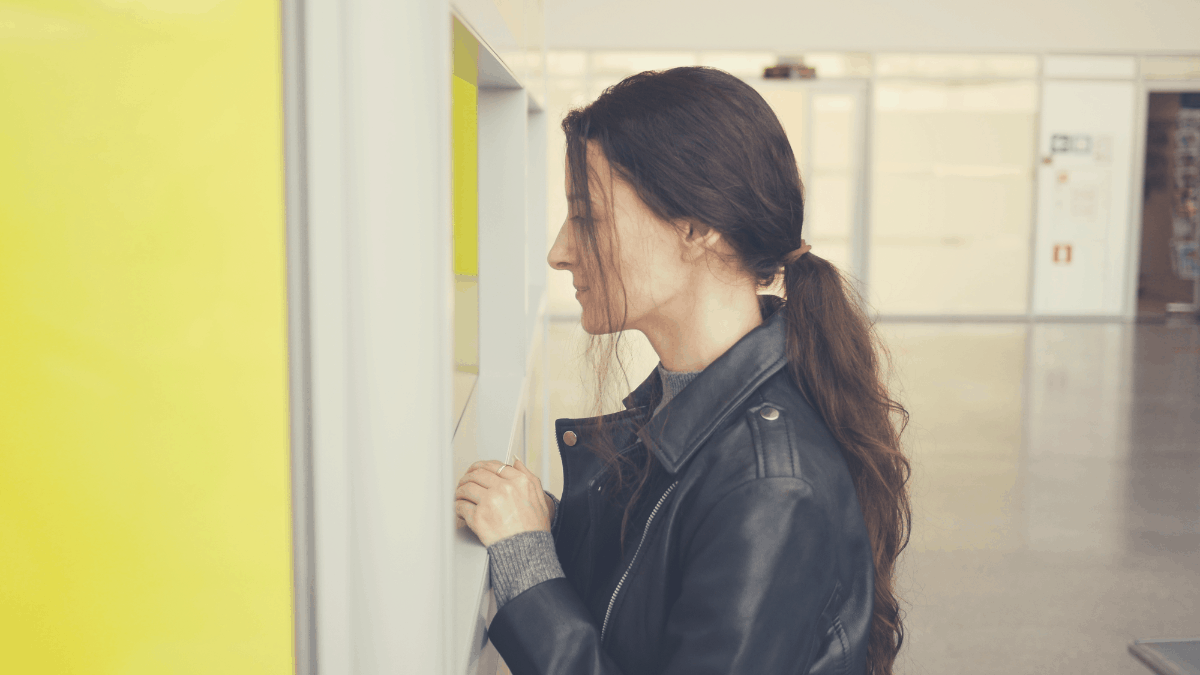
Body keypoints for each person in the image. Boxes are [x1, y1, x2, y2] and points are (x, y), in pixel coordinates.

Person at [454, 66, 912, 675]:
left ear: (696, 228)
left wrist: (528, 565)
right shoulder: (694, 404)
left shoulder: (771, 486)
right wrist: (555, 528)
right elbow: (660, 593)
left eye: (587, 217)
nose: (560, 251)